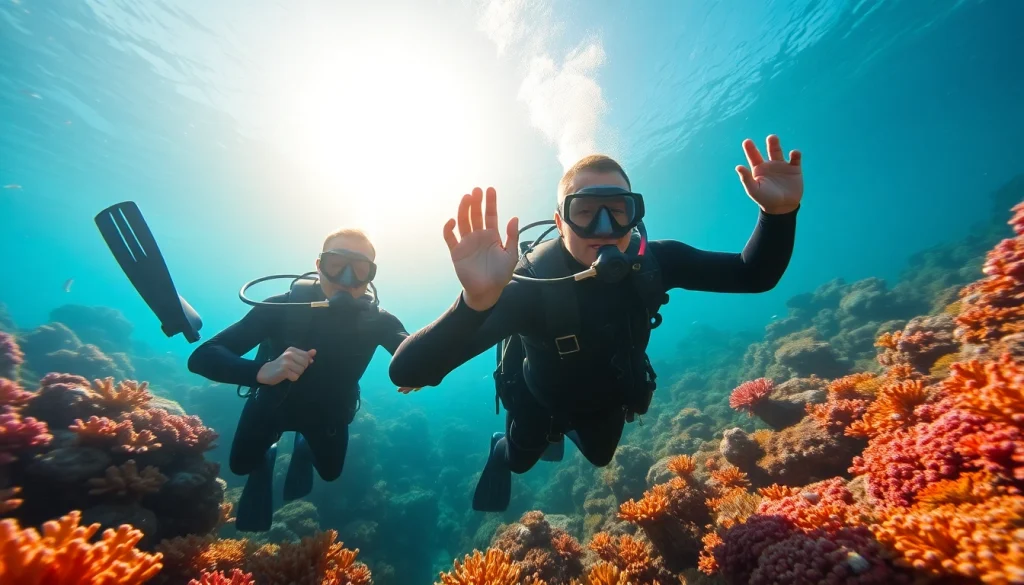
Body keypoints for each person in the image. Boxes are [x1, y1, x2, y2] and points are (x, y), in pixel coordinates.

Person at [388, 135, 802, 512]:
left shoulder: (656, 262)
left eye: (618, 210)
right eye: (584, 211)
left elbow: (753, 275)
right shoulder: (531, 285)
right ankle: (503, 448)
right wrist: (474, 304)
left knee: (601, 457)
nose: (604, 228)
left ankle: (560, 434)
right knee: (519, 460)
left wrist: (779, 214)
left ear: (635, 215)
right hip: (538, 401)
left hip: (606, 399)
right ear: (560, 221)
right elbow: (408, 371)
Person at [188, 228, 411, 531]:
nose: (346, 278)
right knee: (240, 466)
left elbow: (414, 351)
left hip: (329, 415)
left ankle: (303, 447)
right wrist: (260, 371)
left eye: (360, 269)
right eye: (336, 264)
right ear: (319, 265)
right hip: (270, 406)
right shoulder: (281, 308)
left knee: (330, 473)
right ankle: (269, 455)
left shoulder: (379, 321)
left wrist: (420, 369)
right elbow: (203, 356)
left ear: (371, 275)